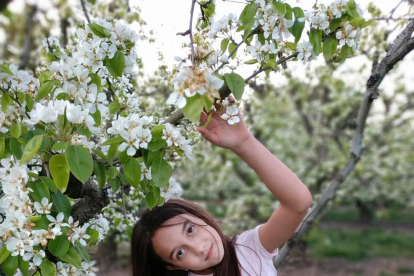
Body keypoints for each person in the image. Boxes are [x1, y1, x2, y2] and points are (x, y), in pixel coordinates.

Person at [131, 108, 313, 276]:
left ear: (199, 216)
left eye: (191, 230)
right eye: (180, 252)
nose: (199, 248)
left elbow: (297, 203)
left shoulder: (249, 250)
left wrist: (244, 143)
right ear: (174, 266)